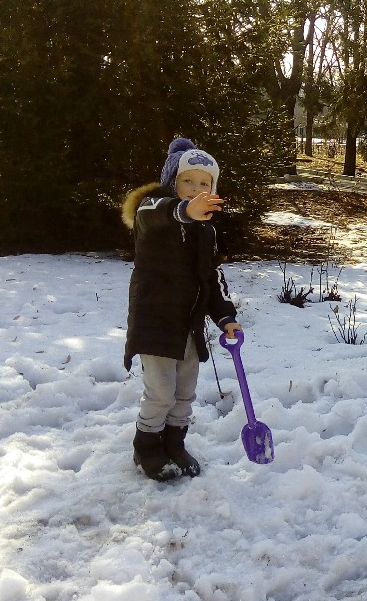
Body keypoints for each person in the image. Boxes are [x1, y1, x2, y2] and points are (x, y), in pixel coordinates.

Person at [122, 138, 242, 481]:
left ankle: (174, 443)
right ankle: (147, 447)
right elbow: (158, 212)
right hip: (155, 321)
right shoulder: (151, 212)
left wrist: (226, 317)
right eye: (187, 181)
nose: (196, 189)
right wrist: (184, 211)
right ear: (171, 182)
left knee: (184, 393)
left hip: (189, 324)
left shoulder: (207, 232)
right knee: (160, 393)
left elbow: (211, 277)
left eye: (205, 183)